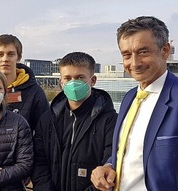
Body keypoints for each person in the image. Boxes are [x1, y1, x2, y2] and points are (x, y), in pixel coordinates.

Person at [91, 16, 178, 191]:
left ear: (165, 50)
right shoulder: (130, 97)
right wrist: (108, 166)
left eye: (143, 52)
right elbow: (131, 153)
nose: (135, 63)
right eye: (127, 55)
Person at [32, 52, 117, 191]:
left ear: (93, 80)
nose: (73, 83)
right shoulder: (47, 120)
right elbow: (39, 162)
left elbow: (110, 162)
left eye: (80, 78)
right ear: (61, 82)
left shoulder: (110, 121)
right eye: (68, 78)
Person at [0, 34, 48, 130]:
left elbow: (43, 132)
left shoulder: (34, 92)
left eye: (11, 54)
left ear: (18, 57)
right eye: (0, 54)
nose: (5, 59)